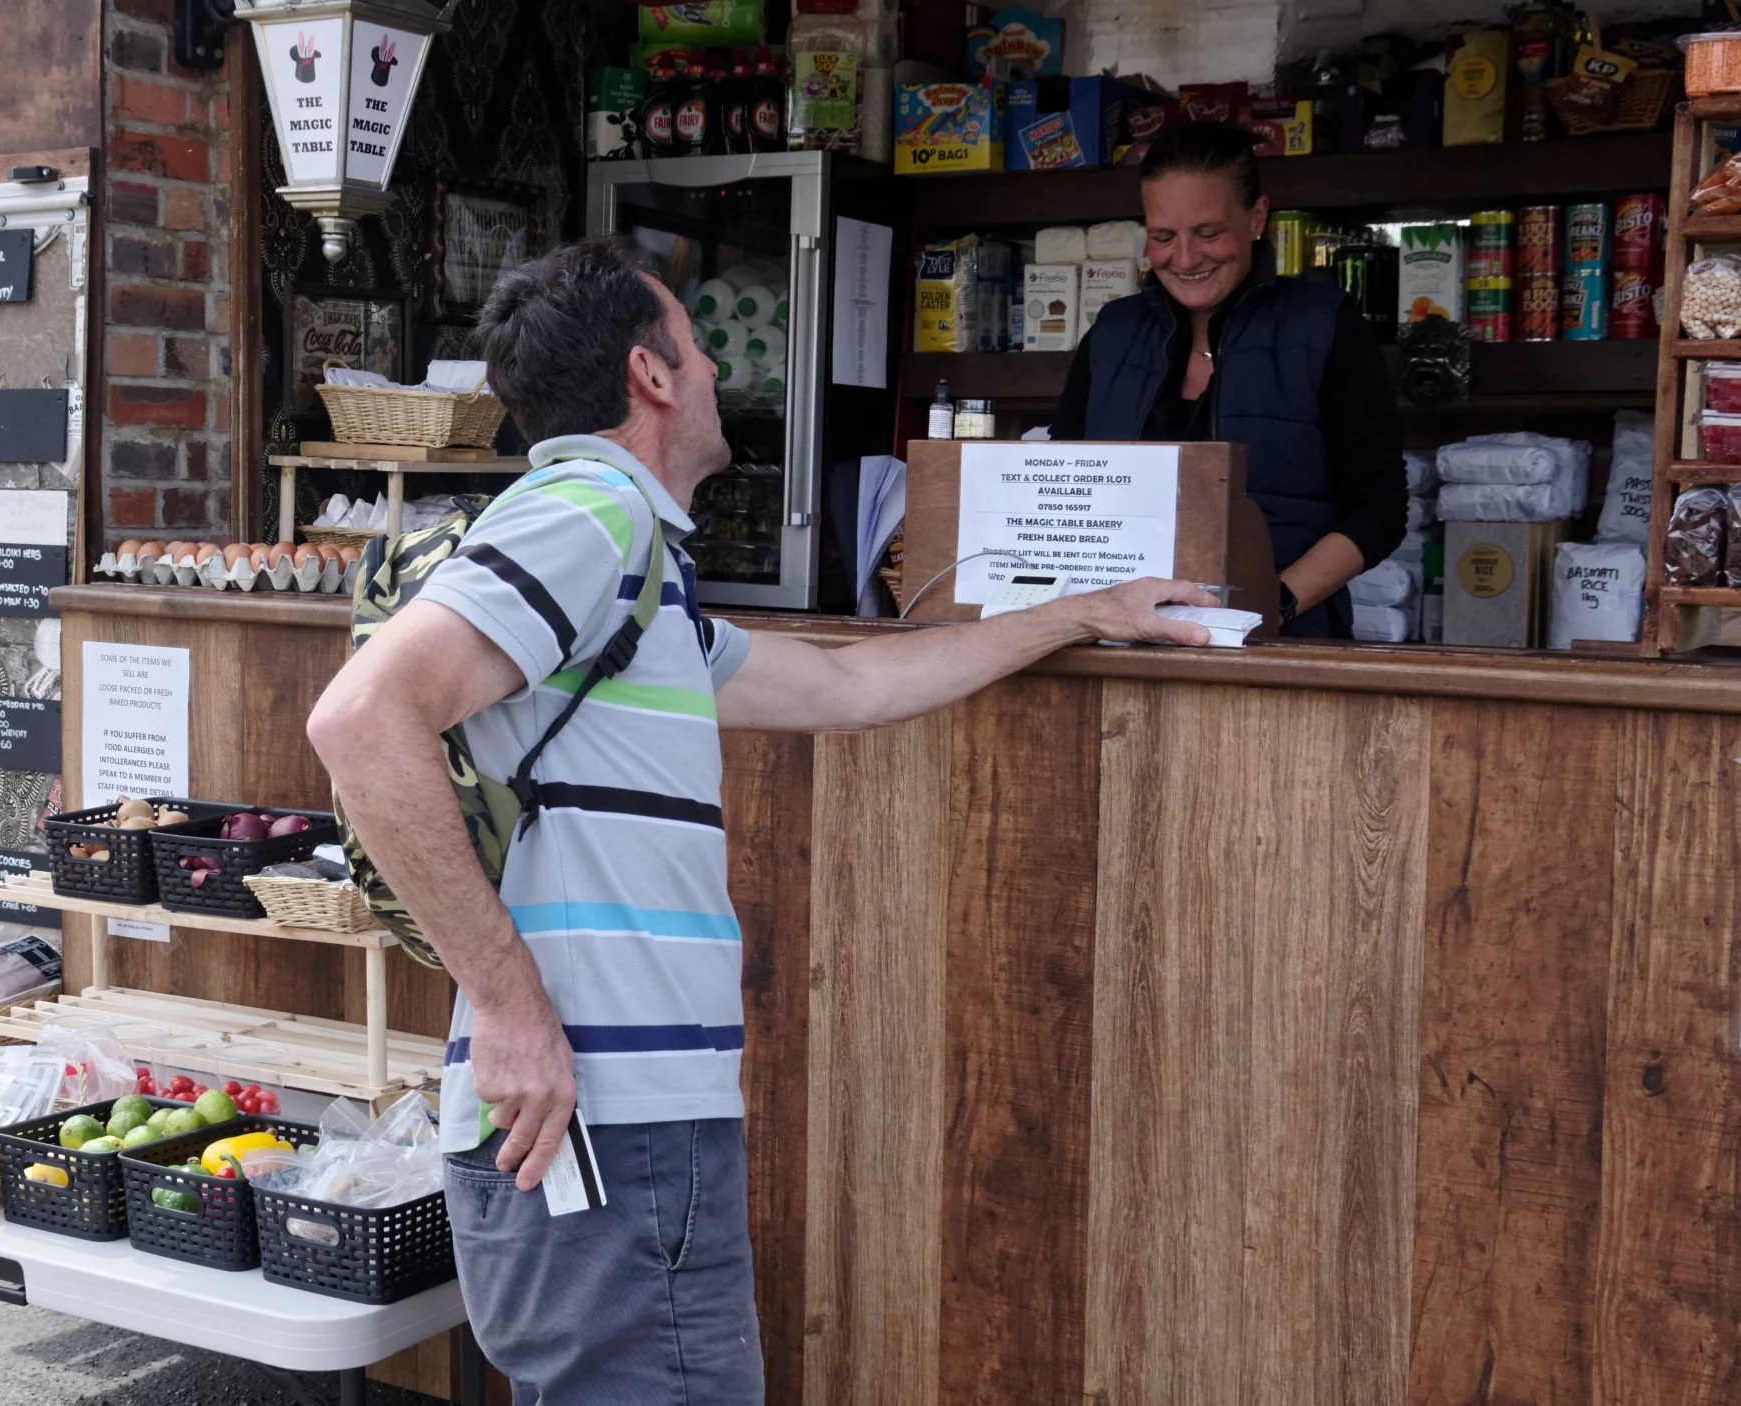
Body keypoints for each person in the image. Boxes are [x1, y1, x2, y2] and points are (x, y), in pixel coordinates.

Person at [306, 237, 1214, 1403]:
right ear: (649, 374)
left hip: (597, 1120)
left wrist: (1083, 610)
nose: (712, 371)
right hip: (603, 1116)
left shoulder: (628, 575)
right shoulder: (592, 512)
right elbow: (361, 717)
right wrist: (511, 1006)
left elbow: (846, 683)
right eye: (694, 346)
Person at [1048, 121, 1407, 639]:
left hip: (1283, 645)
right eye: (1163, 237)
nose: (1185, 258)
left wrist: (1271, 605)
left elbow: (1379, 511)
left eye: (1208, 233)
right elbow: (1060, 488)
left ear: (1257, 216)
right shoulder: (1113, 332)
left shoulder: (1324, 324)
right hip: (1119, 641)